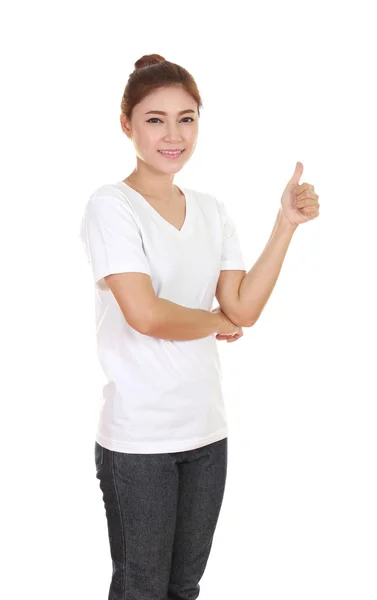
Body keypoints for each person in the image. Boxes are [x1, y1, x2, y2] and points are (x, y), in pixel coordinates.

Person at [79, 53, 320, 600]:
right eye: (155, 119)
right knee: (142, 588)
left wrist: (286, 225)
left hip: (207, 433)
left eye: (186, 118)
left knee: (183, 587)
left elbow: (244, 308)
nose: (173, 135)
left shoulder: (212, 210)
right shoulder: (111, 207)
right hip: (139, 439)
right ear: (127, 125)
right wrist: (216, 321)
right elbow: (146, 314)